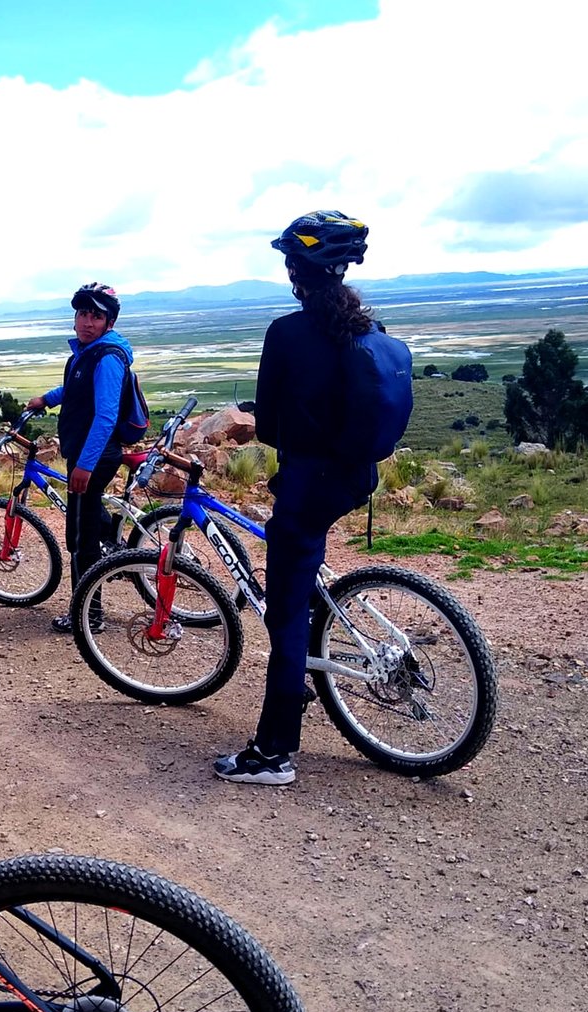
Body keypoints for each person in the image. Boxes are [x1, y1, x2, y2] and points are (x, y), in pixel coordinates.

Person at [213, 212, 378, 786]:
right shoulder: (365, 326)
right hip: (357, 477)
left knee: (284, 619)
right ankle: (310, 644)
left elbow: (270, 429)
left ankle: (274, 753)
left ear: (294, 269)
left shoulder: (286, 333)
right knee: (300, 569)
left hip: (309, 483)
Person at [24, 282, 134, 632]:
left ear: (109, 322)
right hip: (85, 454)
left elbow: (105, 415)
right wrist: (47, 398)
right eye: (83, 314)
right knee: (82, 527)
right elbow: (74, 389)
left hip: (95, 457)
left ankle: (89, 616)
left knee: (80, 538)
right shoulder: (84, 355)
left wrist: (85, 466)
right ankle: (111, 540)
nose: (87, 321)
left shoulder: (107, 358)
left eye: (96, 316)